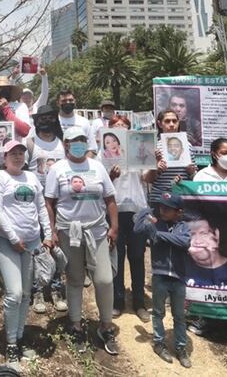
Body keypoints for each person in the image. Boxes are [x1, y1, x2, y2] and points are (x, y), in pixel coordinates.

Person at [45, 126, 120, 355]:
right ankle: (75, 324)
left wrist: (114, 227)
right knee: (75, 279)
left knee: (105, 280)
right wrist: (53, 230)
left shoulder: (97, 167)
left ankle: (105, 326)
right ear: (66, 144)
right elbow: (49, 202)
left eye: (81, 139)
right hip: (70, 232)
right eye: (73, 140)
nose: (78, 143)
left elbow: (109, 198)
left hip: (97, 230)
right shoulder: (57, 169)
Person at [0, 140, 52, 364]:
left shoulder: (32, 177)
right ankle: (11, 343)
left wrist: (49, 233)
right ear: (4, 157)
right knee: (14, 293)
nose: (17, 157)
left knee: (26, 294)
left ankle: (20, 337)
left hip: (32, 242)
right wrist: (14, 238)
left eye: (20, 153)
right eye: (12, 153)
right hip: (8, 243)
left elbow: (41, 206)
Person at [134, 191, 192, 368]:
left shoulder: (184, 226)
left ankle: (181, 347)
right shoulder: (155, 223)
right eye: (160, 207)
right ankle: (159, 343)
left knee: (179, 315)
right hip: (160, 276)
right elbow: (137, 229)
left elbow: (184, 242)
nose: (163, 210)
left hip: (178, 277)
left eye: (168, 208)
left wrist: (160, 236)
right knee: (158, 312)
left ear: (178, 212)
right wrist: (146, 211)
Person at [24, 107, 67, 314]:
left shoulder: (62, 143)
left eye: (50, 117)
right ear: (36, 120)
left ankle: (58, 288)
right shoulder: (30, 143)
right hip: (35, 204)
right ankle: (38, 290)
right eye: (42, 118)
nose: (46, 121)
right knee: (37, 249)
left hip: (60, 204)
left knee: (57, 248)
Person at [107, 126, 151, 322]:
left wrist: (154, 165)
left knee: (137, 256)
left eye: (124, 127)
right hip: (115, 212)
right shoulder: (105, 154)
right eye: (116, 128)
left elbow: (148, 178)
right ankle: (117, 301)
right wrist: (112, 175)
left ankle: (139, 302)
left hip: (137, 212)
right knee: (116, 257)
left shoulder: (139, 150)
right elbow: (102, 183)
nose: (121, 132)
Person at [147, 110, 198, 205]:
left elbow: (195, 178)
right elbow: (147, 179)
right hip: (159, 200)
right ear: (159, 124)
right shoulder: (154, 147)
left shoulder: (187, 146)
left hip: (182, 200)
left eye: (174, 121)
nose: (171, 124)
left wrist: (191, 172)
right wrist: (156, 168)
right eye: (167, 121)